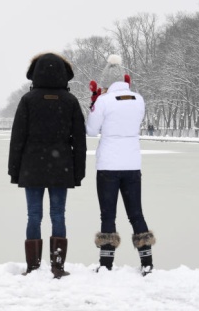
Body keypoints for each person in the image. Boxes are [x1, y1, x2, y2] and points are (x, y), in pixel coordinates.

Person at [8, 53, 87, 279]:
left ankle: (33, 266)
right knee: (58, 215)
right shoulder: (70, 101)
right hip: (61, 166)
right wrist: (77, 172)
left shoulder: (28, 100)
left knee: (33, 215)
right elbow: (79, 140)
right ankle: (58, 266)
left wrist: (14, 170)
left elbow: (17, 138)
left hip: (32, 165)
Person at [86, 55, 156, 276]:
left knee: (108, 214)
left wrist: (94, 104)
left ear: (106, 81)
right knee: (136, 213)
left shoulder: (104, 101)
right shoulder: (139, 99)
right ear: (126, 79)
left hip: (108, 164)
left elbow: (90, 130)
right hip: (132, 163)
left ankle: (106, 264)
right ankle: (147, 262)